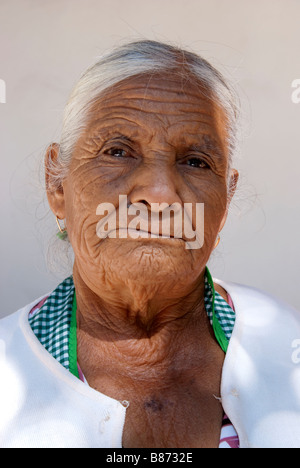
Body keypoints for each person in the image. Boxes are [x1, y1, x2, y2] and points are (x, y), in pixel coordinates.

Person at [1, 40, 299, 449]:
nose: (160, 194)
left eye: (195, 161)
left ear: (225, 201)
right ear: (57, 185)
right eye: (118, 151)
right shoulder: (6, 371)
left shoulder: (287, 347)